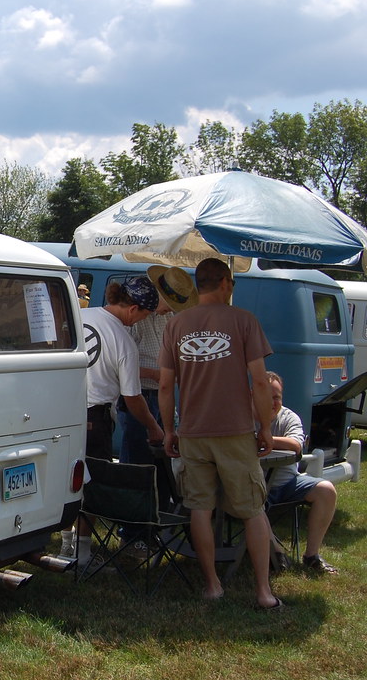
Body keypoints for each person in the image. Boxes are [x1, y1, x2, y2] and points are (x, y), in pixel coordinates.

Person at [158, 258, 281, 609]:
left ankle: (212, 585)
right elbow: (259, 380)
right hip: (235, 430)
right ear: (226, 283)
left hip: (193, 431)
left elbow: (166, 386)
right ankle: (263, 592)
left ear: (199, 285)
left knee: (199, 507)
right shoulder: (244, 321)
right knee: (252, 508)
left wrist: (170, 430)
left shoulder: (176, 324)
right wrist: (266, 426)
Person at [65, 276, 164, 568]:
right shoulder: (123, 340)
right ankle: (82, 555)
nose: (141, 321)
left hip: (59, 410)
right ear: (133, 309)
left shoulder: (80, 314)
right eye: (144, 315)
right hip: (93, 417)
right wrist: (154, 426)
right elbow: (132, 398)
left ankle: (66, 547)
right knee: (91, 485)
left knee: (64, 481)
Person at [114, 266, 197, 559]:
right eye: (170, 304)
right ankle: (131, 534)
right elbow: (124, 369)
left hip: (162, 397)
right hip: (139, 396)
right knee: (137, 466)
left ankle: (155, 529)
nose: (170, 311)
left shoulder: (170, 319)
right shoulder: (134, 319)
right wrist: (163, 374)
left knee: (164, 467)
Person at [264, 371, 339, 574]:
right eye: (266, 396)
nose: (272, 402)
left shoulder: (288, 417)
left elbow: (296, 445)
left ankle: (312, 556)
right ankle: (277, 552)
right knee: (251, 500)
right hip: (255, 485)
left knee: (326, 490)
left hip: (288, 484)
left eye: (276, 397)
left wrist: (263, 439)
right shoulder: (242, 417)